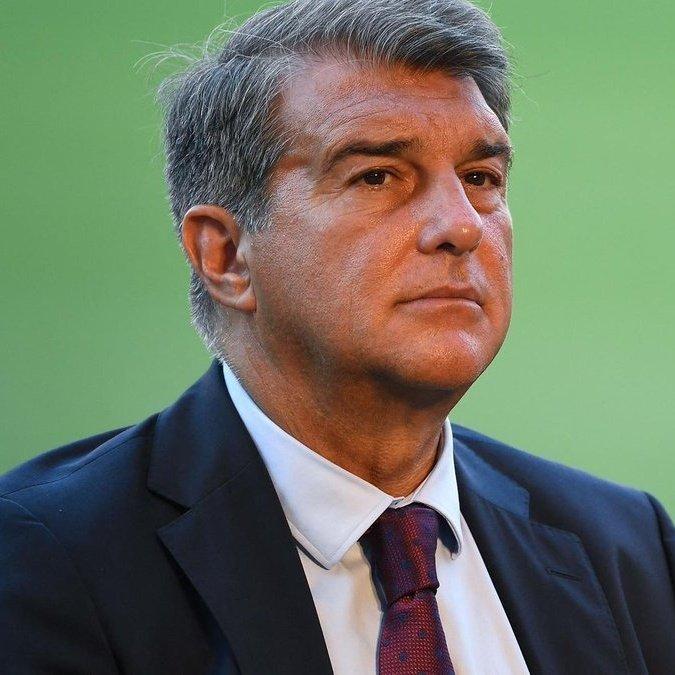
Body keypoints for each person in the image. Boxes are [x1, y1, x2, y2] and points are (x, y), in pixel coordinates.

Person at [1, 0, 673, 672]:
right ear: (225, 255)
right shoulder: (48, 558)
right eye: (376, 175)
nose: (461, 225)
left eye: (479, 178)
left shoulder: (626, 547)